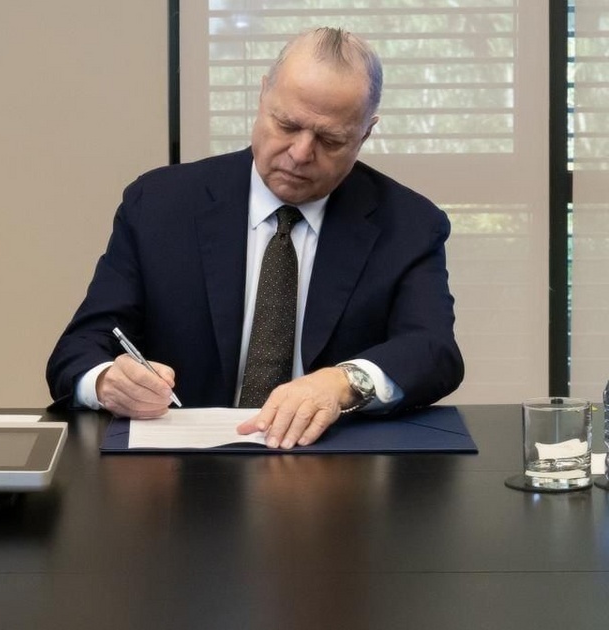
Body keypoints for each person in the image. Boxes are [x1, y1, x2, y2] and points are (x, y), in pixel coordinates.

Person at [45, 27, 463, 448]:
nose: (300, 153)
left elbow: (433, 350)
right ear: (263, 96)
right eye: (287, 124)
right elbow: (80, 348)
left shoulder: (409, 223)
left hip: (331, 468)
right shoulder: (159, 205)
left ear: (365, 133)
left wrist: (342, 383)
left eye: (330, 139)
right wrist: (106, 382)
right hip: (182, 471)